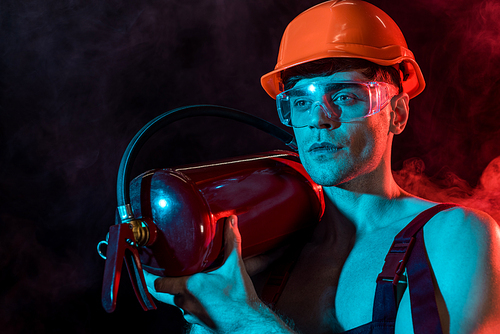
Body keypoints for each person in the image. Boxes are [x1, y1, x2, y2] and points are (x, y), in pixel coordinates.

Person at [144, 1, 500, 333]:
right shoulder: (266, 257)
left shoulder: (454, 236)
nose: (318, 118)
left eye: (344, 96)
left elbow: (237, 314)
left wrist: (237, 315)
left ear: (398, 113)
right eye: (300, 101)